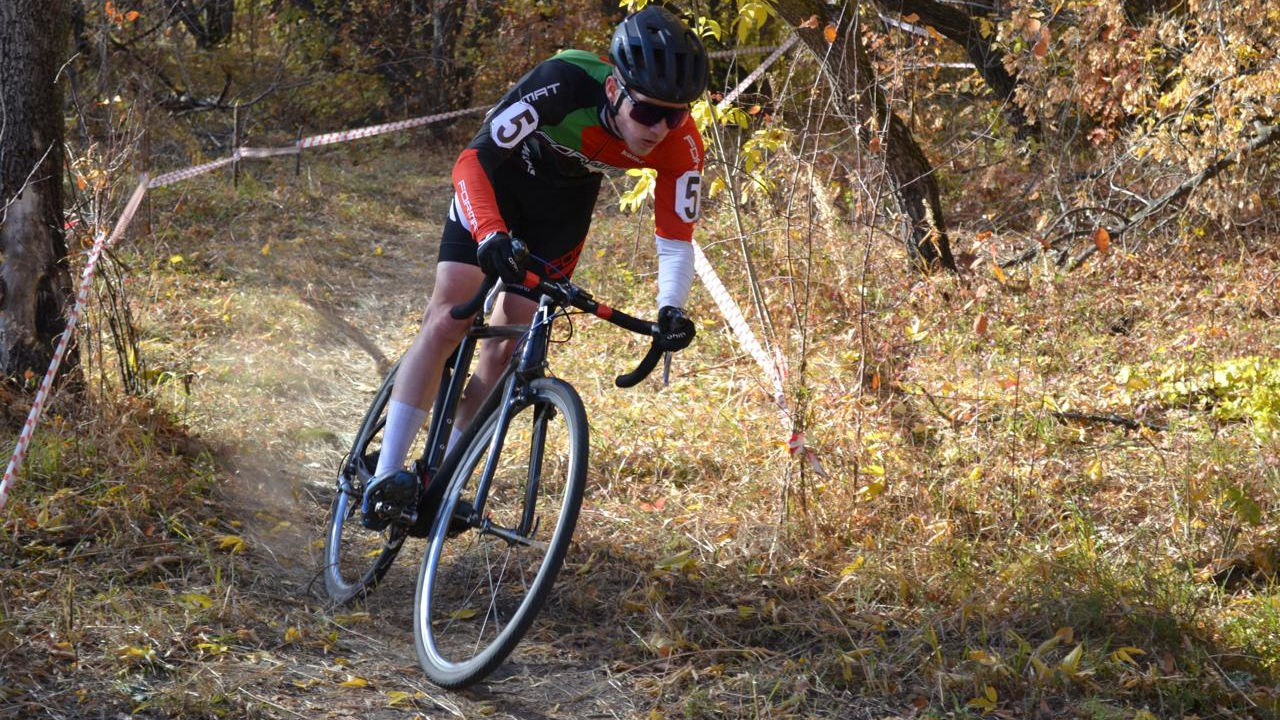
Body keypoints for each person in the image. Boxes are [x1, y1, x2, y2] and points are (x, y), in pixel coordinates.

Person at [361, 6, 710, 530]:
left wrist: (670, 310)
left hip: (559, 216)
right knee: (451, 314)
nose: (660, 128)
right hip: (495, 186)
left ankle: (439, 479)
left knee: (504, 348)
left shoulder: (682, 146)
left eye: (675, 114)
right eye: (647, 113)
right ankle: (384, 481)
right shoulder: (563, 82)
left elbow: (676, 240)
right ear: (614, 89)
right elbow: (472, 161)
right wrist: (489, 233)